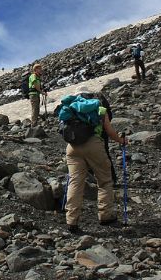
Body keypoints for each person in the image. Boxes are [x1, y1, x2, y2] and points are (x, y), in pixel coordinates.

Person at [64, 96, 126, 233]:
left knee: (75, 182)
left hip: (72, 147)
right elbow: (109, 131)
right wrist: (121, 140)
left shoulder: (70, 108)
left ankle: (71, 220)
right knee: (104, 180)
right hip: (93, 145)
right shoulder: (99, 108)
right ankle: (105, 215)